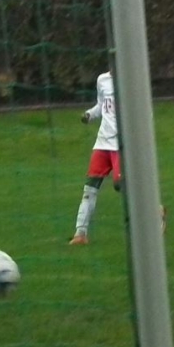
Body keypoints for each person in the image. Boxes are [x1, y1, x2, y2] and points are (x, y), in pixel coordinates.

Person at [70, 70, 120, 245]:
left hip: (121, 144)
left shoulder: (131, 79)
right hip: (102, 142)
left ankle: (155, 211)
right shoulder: (102, 79)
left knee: (121, 185)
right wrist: (90, 114)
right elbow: (101, 105)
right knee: (90, 187)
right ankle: (80, 233)